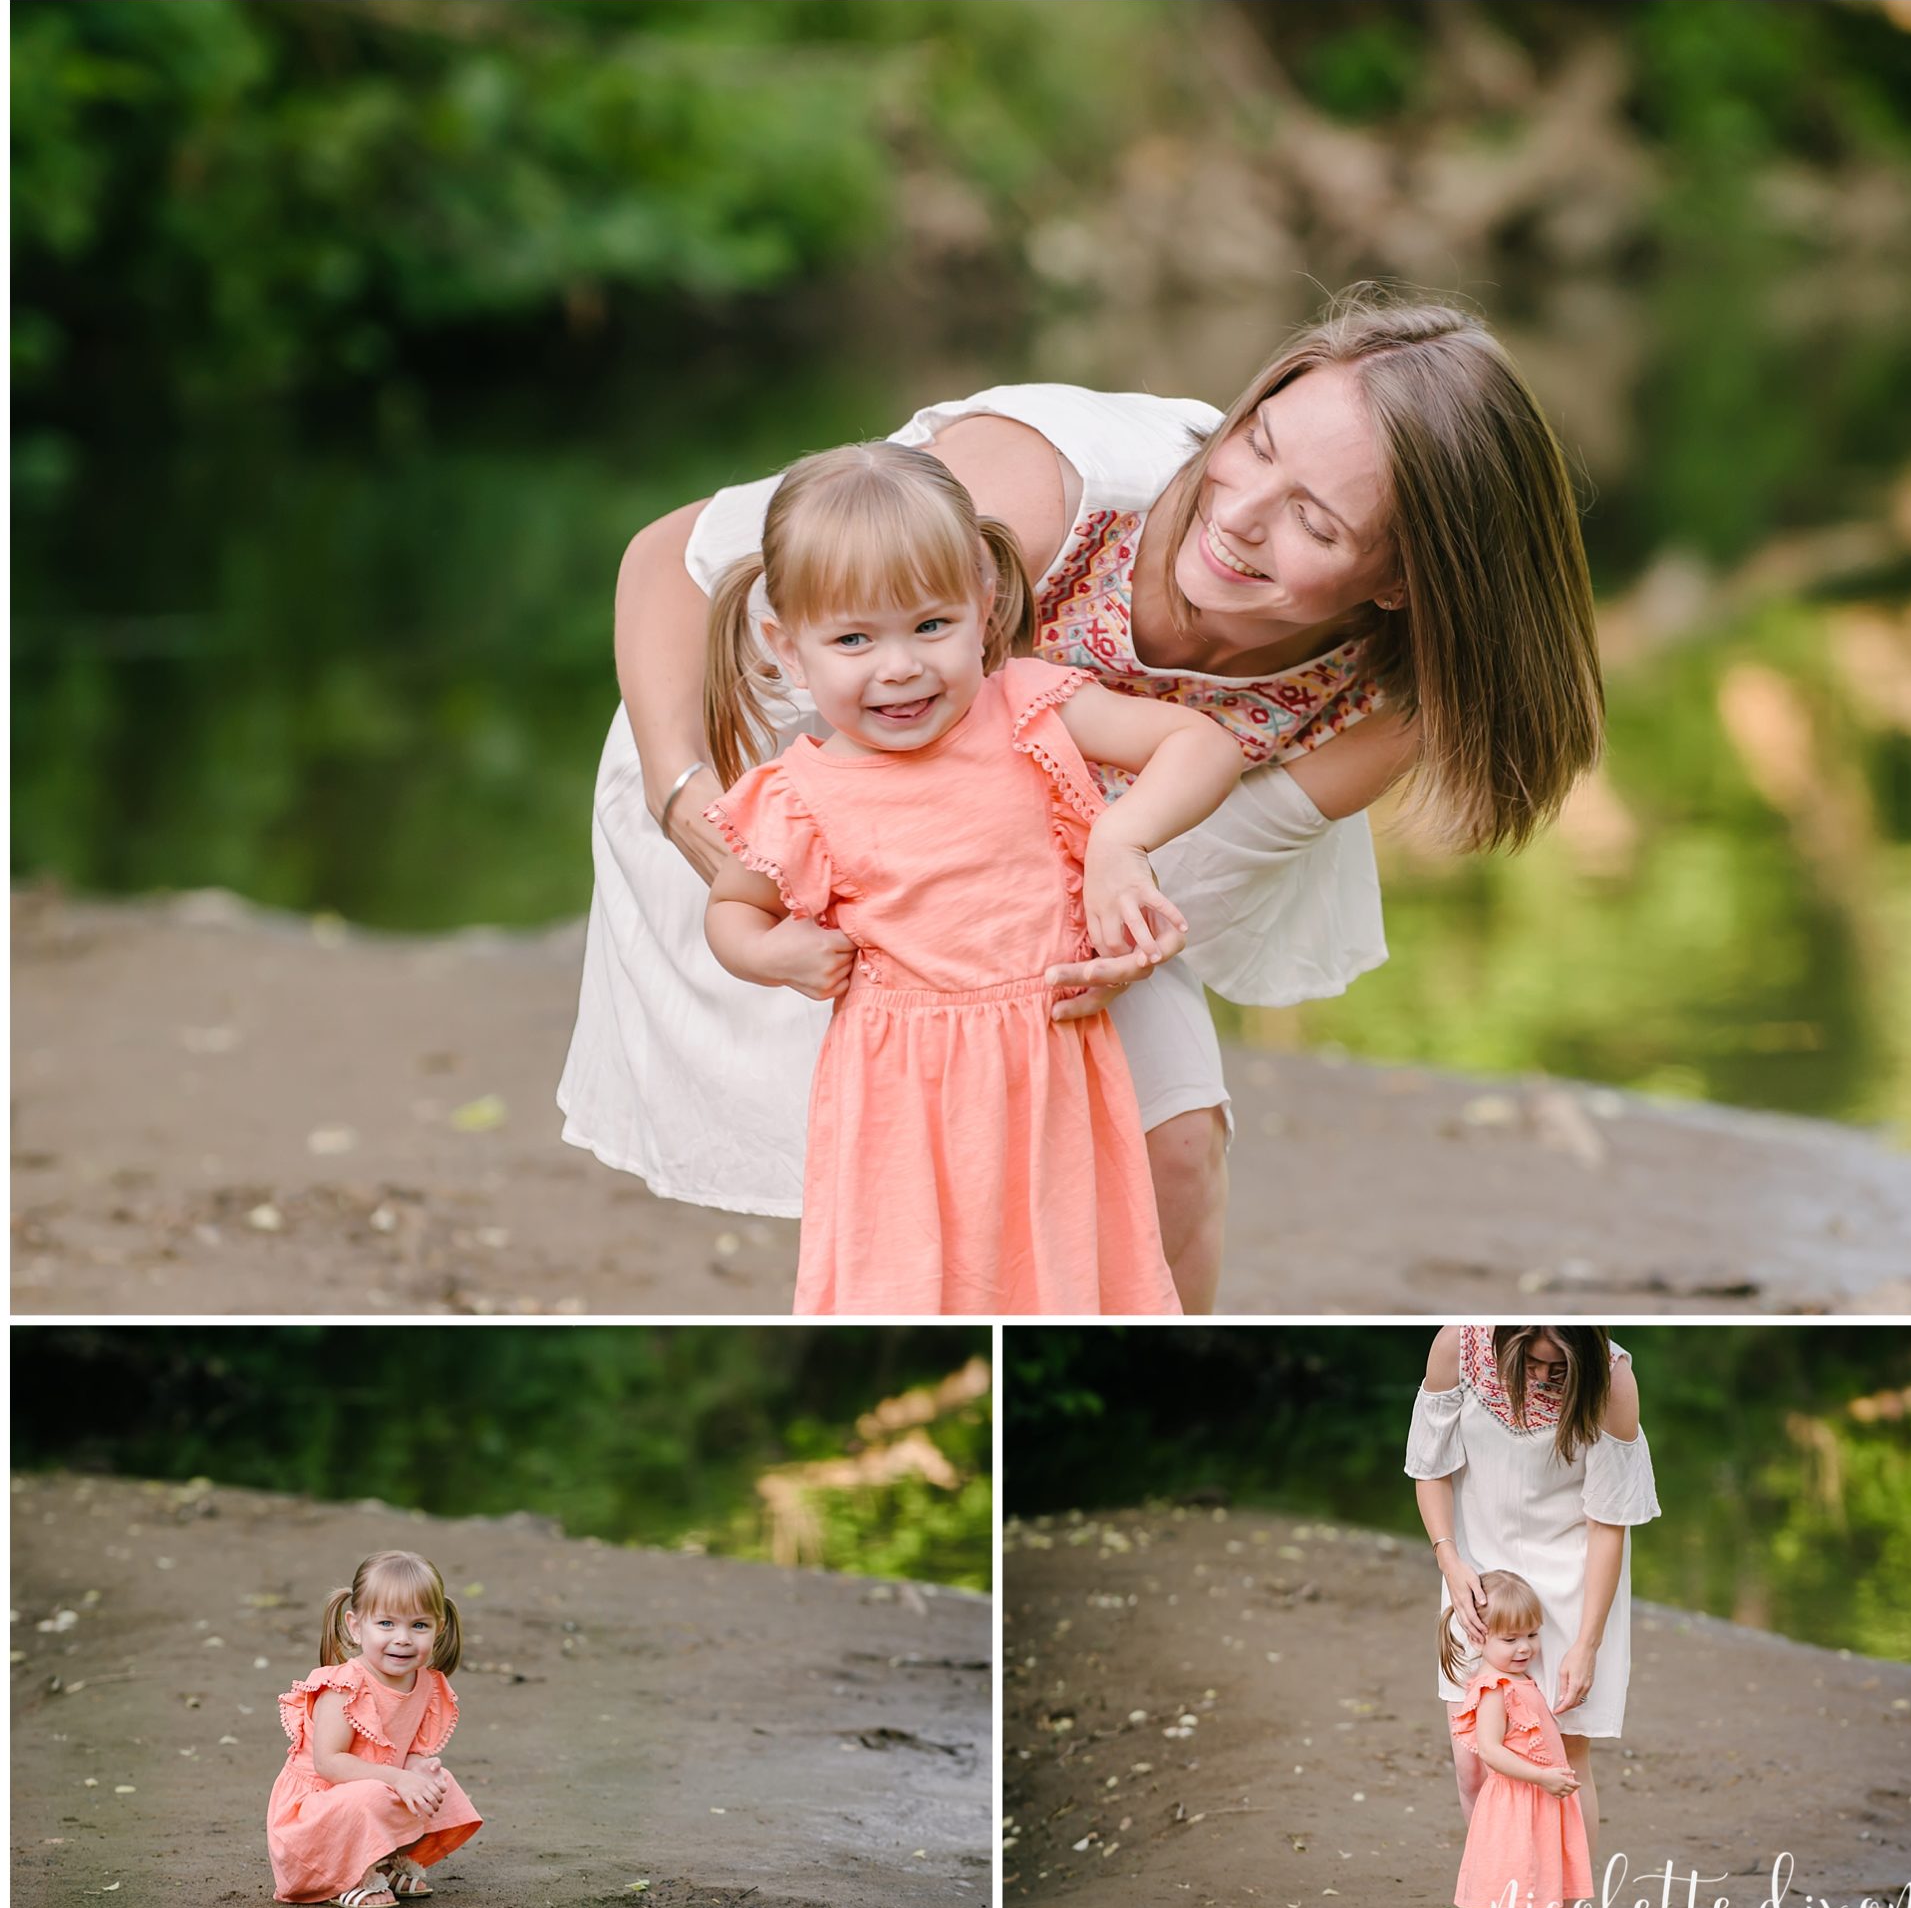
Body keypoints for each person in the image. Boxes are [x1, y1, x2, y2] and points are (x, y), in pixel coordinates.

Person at [560, 284, 1605, 1311]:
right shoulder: (1045, 485)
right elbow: (670, 559)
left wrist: (1111, 916)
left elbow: (1197, 863)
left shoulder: (1388, 700)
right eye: (1258, 443)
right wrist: (681, 790)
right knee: (904, 1179)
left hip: (1062, 851)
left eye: (1314, 524)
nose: (1234, 515)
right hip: (767, 769)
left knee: (1172, 1148)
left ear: (1400, 582)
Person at [701, 443, 1243, 1313]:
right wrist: (772, 956)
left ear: (984, 607)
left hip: (1049, 1065)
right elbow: (732, 906)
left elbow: (1204, 744)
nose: (899, 666)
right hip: (901, 1094)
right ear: (788, 648)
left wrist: (1120, 840)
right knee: (918, 1279)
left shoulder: (1027, 706)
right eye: (852, 639)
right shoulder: (800, 793)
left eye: (929, 625)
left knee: (1063, 1269)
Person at [1406, 1325, 1661, 1908]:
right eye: (1535, 1362)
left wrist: (1587, 1641)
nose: (1546, 1378)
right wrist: (1448, 1556)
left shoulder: (1613, 1377)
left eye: (1562, 1366)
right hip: (1477, 1579)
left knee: (1560, 1764)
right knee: (1475, 1767)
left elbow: (1610, 1522)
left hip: (1573, 1585)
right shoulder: (1454, 1345)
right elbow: (1430, 1469)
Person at [267, 1550, 483, 1908]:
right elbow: (329, 1765)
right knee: (374, 1794)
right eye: (385, 1624)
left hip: (367, 1793)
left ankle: (382, 1862)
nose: (402, 1638)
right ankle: (346, 1877)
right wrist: (398, 1778)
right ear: (355, 1625)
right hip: (313, 1825)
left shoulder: (427, 1686)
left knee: (436, 1781)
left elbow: (412, 1751)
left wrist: (416, 1770)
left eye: (419, 1625)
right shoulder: (345, 1687)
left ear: (439, 1627)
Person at [1437, 1568, 1591, 1908]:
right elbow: (1490, 1751)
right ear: (1478, 1636)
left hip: (1533, 1806)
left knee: (1493, 1901)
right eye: (1510, 1639)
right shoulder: (1492, 1688)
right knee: (1530, 1903)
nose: (1525, 1648)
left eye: (1532, 1635)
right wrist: (1542, 1777)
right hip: (1513, 1805)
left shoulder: (1519, 1680)